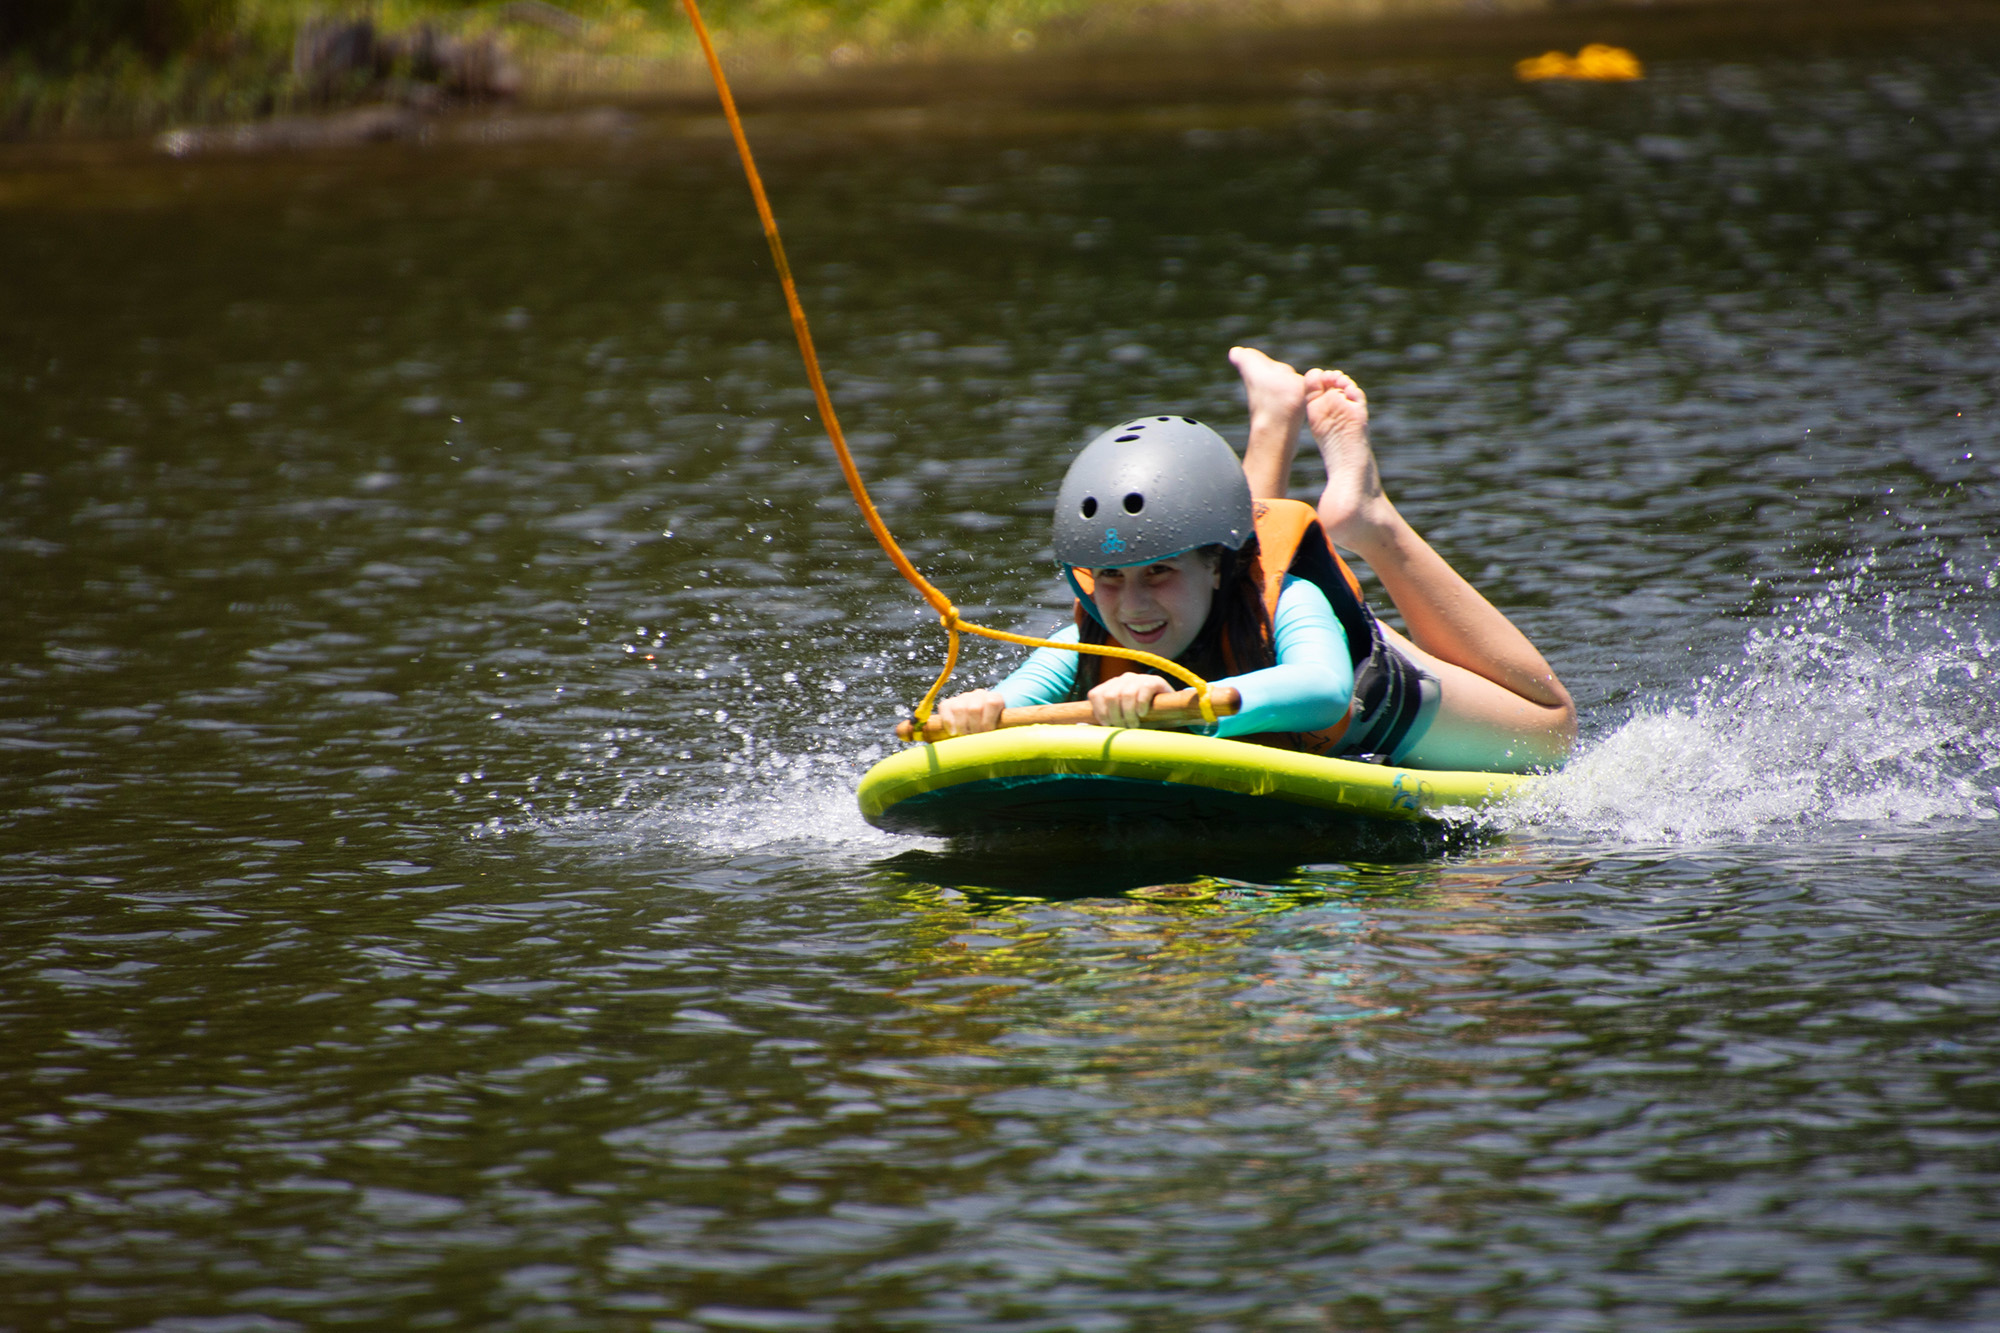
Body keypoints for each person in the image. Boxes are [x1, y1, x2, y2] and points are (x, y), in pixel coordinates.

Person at [932, 347, 1576, 773]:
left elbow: (1324, 693)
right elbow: (1018, 699)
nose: (1132, 606)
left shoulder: (1294, 599)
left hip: (1384, 701)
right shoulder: (1086, 633)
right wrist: (978, 711)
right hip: (1228, 598)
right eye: (1111, 578)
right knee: (1213, 532)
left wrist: (1180, 700)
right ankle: (1274, 417)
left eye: (1158, 571)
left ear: (1215, 564)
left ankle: (1372, 521)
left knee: (1554, 727)